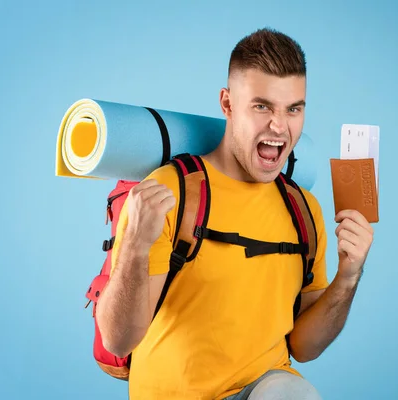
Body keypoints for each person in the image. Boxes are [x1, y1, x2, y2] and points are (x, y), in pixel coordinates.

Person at [96, 27, 374, 400]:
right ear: (227, 104)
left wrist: (348, 278)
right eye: (262, 106)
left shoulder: (303, 210)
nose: (279, 126)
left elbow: (305, 348)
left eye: (294, 109)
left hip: (266, 387)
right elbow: (119, 338)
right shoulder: (168, 193)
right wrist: (133, 249)